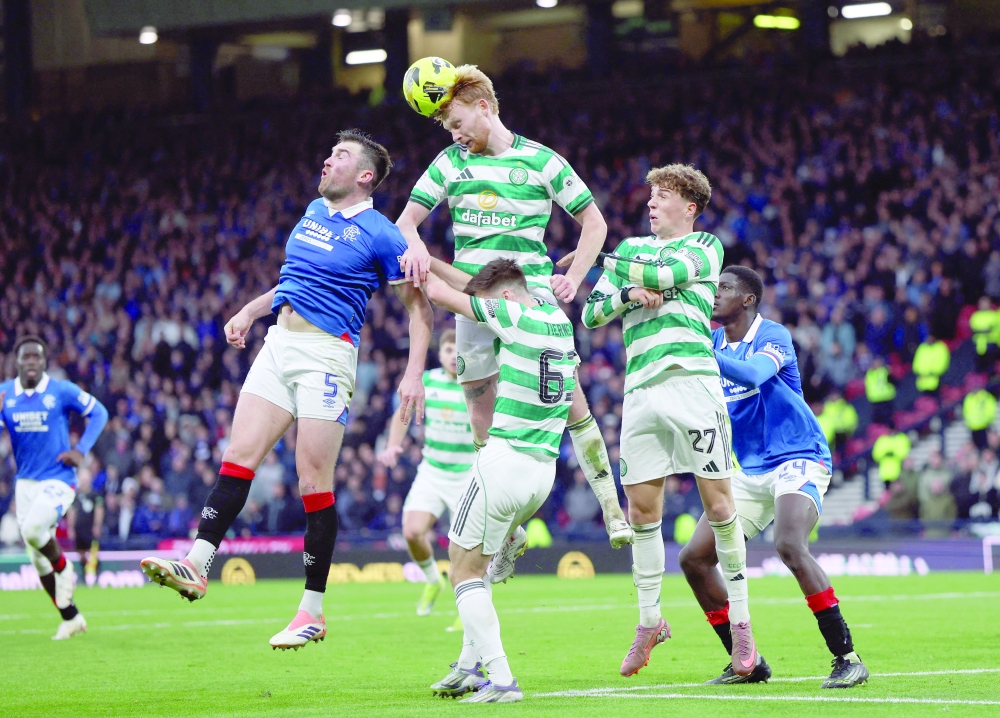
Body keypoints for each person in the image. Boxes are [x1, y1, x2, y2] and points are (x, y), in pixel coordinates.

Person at [140, 130, 434, 651]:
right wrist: (251, 311)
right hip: (278, 345)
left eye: (340, 156)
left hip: (327, 355)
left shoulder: (383, 234)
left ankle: (312, 611)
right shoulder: (313, 212)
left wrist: (413, 373)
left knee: (311, 481)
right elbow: (294, 282)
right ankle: (197, 565)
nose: (327, 159)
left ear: (365, 176)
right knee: (238, 455)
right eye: (330, 152)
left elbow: (419, 307)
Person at [396, 65, 631, 550]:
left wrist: (575, 275)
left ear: (483, 106)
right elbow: (406, 220)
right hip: (470, 301)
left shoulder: (543, 162)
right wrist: (414, 243)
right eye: (446, 128)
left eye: (457, 121)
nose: (455, 133)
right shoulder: (449, 162)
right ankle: (510, 529)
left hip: (530, 301)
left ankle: (612, 508)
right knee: (481, 421)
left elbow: (595, 223)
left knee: (573, 404)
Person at [580, 164, 757, 678]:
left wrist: (607, 261)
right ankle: (649, 620)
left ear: (690, 207)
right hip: (640, 390)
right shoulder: (634, 248)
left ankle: (742, 624)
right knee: (642, 512)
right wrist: (625, 295)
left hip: (692, 383)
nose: (652, 203)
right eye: (651, 196)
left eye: (663, 196)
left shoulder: (705, 247)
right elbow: (592, 313)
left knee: (720, 504)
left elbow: (662, 276)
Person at [678, 266, 869, 689]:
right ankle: (745, 660)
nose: (715, 294)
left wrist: (698, 351)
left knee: (788, 544)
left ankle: (846, 657)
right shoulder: (710, 342)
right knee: (693, 558)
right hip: (748, 470)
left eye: (724, 288)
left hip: (799, 456)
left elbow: (751, 375)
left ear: (747, 299)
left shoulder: (772, 336)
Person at [418, 258, 578, 703]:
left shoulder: (512, 313)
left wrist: (408, 252)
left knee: (463, 571)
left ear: (506, 297)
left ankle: (503, 680)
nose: (483, 314)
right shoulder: (558, 323)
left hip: (503, 462)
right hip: (542, 470)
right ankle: (469, 666)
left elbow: (441, 293)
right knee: (480, 565)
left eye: (488, 305)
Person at [0, 336, 109, 639]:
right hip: (25, 483)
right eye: (26, 357)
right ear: (17, 362)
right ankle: (70, 616)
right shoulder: (5, 394)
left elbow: (99, 412)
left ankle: (64, 569)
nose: (32, 362)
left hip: (58, 478)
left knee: (34, 530)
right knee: (35, 555)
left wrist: (82, 449)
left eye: (37, 356)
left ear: (44, 362)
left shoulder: (61, 390)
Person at [377, 329, 475, 620]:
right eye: (448, 350)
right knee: (411, 531)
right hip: (432, 471)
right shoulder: (428, 382)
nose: (453, 356)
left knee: (467, 548)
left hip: (467, 475)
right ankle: (434, 580)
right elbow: (402, 411)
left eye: (458, 351)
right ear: (441, 353)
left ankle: (469, 610)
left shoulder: (477, 383)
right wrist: (393, 445)